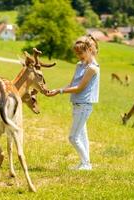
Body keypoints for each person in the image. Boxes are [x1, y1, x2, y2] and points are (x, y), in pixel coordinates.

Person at [46, 35, 100, 170]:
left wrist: (60, 91)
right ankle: (85, 164)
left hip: (84, 106)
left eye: (81, 53)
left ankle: (86, 164)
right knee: (82, 135)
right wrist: (57, 90)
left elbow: (79, 88)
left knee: (73, 137)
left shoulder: (92, 68)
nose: (78, 56)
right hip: (77, 104)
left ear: (89, 49)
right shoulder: (79, 65)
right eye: (76, 54)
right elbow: (72, 84)